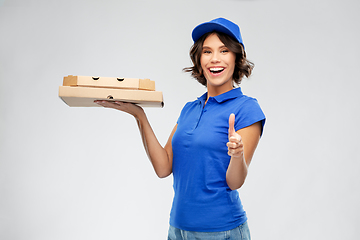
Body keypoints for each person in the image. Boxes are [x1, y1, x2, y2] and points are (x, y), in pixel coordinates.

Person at [95, 17, 265, 240]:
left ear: (236, 57)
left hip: (221, 231)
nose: (215, 59)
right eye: (207, 51)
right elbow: (163, 167)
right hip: (178, 229)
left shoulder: (247, 108)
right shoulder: (190, 109)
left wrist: (237, 154)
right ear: (199, 59)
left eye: (224, 51)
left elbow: (235, 182)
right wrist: (139, 115)